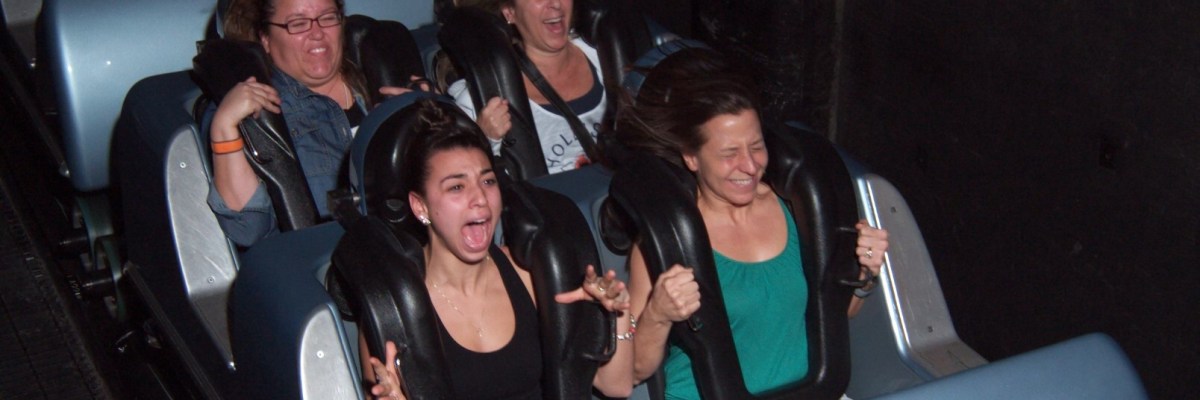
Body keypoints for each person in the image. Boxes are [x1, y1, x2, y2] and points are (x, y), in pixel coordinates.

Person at [614, 48, 891, 399]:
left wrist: (864, 274)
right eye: (729, 154)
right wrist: (659, 312)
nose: (749, 165)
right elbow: (635, 371)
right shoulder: (667, 238)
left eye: (756, 147)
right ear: (691, 157)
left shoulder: (798, 209)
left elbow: (836, 316)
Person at [361, 99, 634, 399]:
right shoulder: (393, 309)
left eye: (488, 181)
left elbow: (615, 385)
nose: (480, 197)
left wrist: (616, 313)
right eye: (456, 187)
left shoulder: (531, 274)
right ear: (420, 206)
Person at [209, 0, 425, 246]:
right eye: (298, 23)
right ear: (266, 39)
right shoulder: (256, 114)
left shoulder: (387, 79)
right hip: (334, 256)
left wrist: (432, 114)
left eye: (327, 18)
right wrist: (224, 128)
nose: (317, 33)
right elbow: (248, 230)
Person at [449, 0, 606, 174]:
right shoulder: (486, 94)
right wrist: (486, 139)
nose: (555, 3)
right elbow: (458, 176)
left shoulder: (608, 59)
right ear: (509, 13)